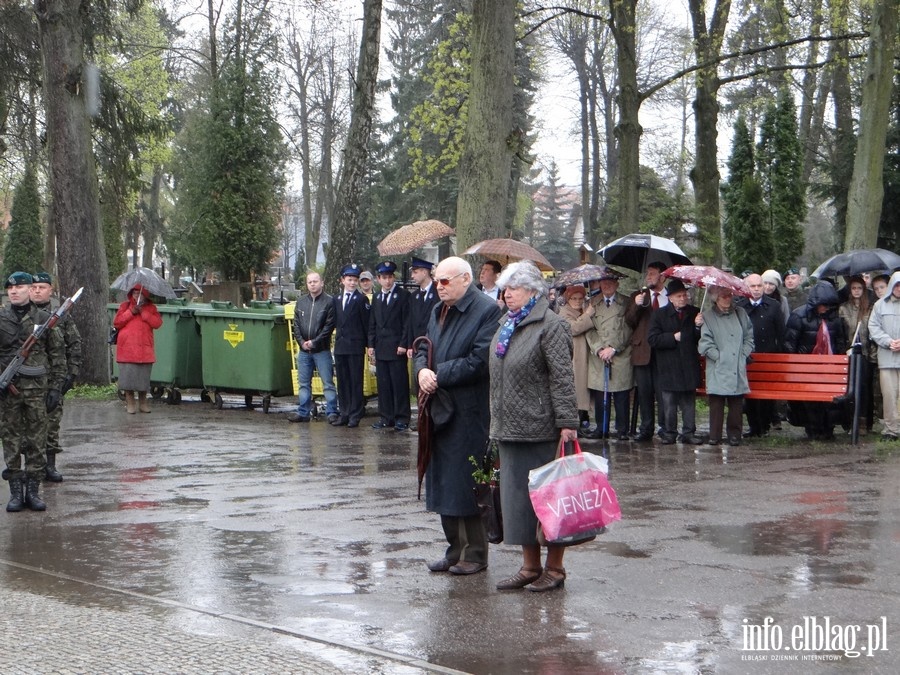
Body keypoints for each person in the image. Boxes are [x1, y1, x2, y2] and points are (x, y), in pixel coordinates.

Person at [489, 261, 579, 592]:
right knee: (520, 501)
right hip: (509, 427)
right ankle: (529, 566)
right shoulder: (506, 324)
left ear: (532, 291)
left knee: (550, 501)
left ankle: (554, 569)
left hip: (541, 427)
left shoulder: (551, 325)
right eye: (505, 287)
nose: (506, 293)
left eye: (513, 287)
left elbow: (562, 377)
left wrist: (568, 421)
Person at [414, 257, 503, 576]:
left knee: (470, 482)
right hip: (438, 408)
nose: (439, 286)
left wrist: (438, 373)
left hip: (470, 410)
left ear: (466, 279)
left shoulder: (487, 310)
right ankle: (454, 548)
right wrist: (421, 369)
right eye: (437, 281)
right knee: (442, 482)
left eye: (445, 281)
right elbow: (423, 346)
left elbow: (480, 360)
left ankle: (476, 553)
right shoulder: (438, 309)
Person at [0, 272, 66, 512]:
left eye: (19, 287)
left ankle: (34, 491)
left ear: (30, 290)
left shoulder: (44, 319)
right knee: (11, 440)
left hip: (38, 391)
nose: (14, 291)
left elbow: (57, 355)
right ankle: (16, 493)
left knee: (37, 441)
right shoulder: (1, 318)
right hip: (8, 392)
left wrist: (56, 388)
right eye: (10, 289)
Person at [30, 272, 82, 482]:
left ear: (50, 290)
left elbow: (74, 344)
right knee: (27, 426)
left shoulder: (61, 316)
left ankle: (49, 466)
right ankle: (29, 466)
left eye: (42, 287)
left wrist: (72, 373)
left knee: (51, 424)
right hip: (28, 381)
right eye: (34, 287)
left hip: (54, 379)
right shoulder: (25, 315)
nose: (37, 291)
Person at [784, 281, 848, 439]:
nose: (825, 308)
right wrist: (798, 360)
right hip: (806, 368)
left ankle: (828, 427)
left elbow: (840, 342)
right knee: (810, 400)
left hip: (829, 366)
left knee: (831, 400)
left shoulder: (834, 318)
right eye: (823, 305)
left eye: (829, 305)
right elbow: (789, 343)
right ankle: (813, 428)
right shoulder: (799, 316)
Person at [647, 279, 703, 444]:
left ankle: (688, 432)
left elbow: (699, 338)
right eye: (679, 296)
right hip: (668, 365)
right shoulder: (659, 314)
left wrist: (698, 327)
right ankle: (669, 432)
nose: (683, 298)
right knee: (669, 402)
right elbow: (653, 339)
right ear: (670, 297)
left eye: (685, 295)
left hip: (688, 362)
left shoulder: (695, 312)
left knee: (688, 401)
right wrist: (672, 337)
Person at [698, 287, 754, 446]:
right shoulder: (707, 316)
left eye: (729, 295)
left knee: (736, 403)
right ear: (716, 298)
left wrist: (743, 355)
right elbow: (705, 343)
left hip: (737, 365)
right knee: (716, 402)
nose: (728, 298)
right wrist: (719, 357)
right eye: (724, 296)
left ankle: (735, 435)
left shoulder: (740, 313)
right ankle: (714, 436)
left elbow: (749, 336)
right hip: (718, 365)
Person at [584, 269, 633, 440]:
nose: (607, 285)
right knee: (600, 395)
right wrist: (599, 349)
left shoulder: (626, 302)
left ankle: (622, 430)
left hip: (619, 354)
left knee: (621, 395)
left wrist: (614, 348)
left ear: (617, 284)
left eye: (611, 282)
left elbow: (629, 328)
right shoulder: (591, 304)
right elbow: (588, 329)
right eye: (604, 282)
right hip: (598, 355)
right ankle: (600, 427)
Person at [736, 273, 785, 437]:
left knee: (766, 395)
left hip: (769, 354)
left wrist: (780, 355)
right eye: (753, 286)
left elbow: (781, 332)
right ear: (746, 288)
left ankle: (765, 426)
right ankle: (754, 427)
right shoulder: (740, 306)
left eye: (759, 286)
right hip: (748, 356)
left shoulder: (774, 305)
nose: (756, 289)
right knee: (749, 394)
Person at [626, 261, 668, 441]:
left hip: (663, 352)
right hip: (642, 351)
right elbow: (629, 321)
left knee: (663, 392)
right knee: (644, 392)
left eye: (652, 273)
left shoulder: (670, 296)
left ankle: (666, 428)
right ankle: (646, 428)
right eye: (647, 273)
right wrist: (636, 305)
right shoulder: (639, 295)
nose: (648, 277)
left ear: (663, 276)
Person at [289, 271, 338, 424]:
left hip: (321, 350)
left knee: (328, 383)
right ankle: (303, 412)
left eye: (315, 281)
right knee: (303, 384)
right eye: (310, 282)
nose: (312, 284)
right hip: (304, 351)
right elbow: (296, 324)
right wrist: (302, 342)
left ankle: (332, 412)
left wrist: (315, 342)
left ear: (322, 283)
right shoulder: (301, 302)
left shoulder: (329, 302)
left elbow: (329, 326)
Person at [368, 261, 411, 431]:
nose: (387, 281)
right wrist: (371, 344)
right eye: (384, 278)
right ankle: (386, 417)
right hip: (381, 346)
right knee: (384, 384)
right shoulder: (377, 297)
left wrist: (403, 343)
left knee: (399, 383)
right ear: (378, 279)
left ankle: (402, 417)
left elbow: (407, 322)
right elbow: (373, 322)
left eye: (390, 277)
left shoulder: (403, 295)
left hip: (396, 346)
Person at [332, 264, 370, 428]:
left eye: (355, 280)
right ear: (342, 281)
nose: (352, 283)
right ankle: (344, 412)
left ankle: (355, 413)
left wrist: (369, 346)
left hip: (355, 346)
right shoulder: (337, 299)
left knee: (355, 381)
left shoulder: (361, 299)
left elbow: (366, 324)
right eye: (349, 280)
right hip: (341, 346)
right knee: (342, 381)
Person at [114, 285, 162, 414]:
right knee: (128, 380)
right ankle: (130, 402)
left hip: (144, 350)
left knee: (143, 380)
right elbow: (117, 322)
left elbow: (157, 323)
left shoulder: (151, 308)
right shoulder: (125, 306)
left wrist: (143, 313)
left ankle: (143, 402)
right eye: (134, 293)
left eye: (139, 293)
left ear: (145, 295)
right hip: (127, 349)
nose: (137, 295)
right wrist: (131, 312)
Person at [839, 275, 874, 434]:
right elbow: (841, 331)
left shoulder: (870, 308)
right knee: (850, 388)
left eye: (859, 288)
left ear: (864, 289)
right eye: (853, 288)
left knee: (865, 388)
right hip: (850, 352)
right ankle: (849, 421)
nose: (856, 291)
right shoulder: (843, 308)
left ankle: (863, 423)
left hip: (866, 353)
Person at [868, 271, 900, 440]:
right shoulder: (880, 305)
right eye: (896, 285)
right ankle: (891, 430)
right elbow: (873, 327)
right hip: (887, 358)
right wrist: (888, 341)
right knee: (888, 395)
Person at [557, 285, 594, 432]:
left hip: (588, 355)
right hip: (575, 356)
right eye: (574, 298)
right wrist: (587, 315)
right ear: (568, 299)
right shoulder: (563, 312)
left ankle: (585, 418)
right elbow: (573, 328)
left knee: (586, 388)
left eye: (580, 298)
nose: (578, 301)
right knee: (577, 388)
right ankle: (577, 420)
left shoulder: (585, 309)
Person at [407, 257, 441, 359]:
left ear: (425, 272)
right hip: (417, 345)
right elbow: (411, 321)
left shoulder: (439, 293)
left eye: (415, 272)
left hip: (434, 346)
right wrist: (409, 345)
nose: (412, 276)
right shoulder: (414, 296)